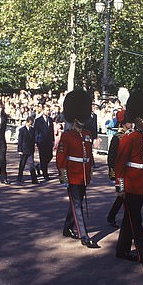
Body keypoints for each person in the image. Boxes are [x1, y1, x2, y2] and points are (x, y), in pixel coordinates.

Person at [114, 89, 143, 272]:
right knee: (136, 221)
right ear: (135, 117)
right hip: (131, 185)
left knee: (129, 219)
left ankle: (122, 250)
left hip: (140, 184)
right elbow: (120, 164)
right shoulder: (128, 138)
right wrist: (120, 186)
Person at [56, 89, 99, 248]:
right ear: (74, 119)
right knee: (78, 205)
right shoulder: (67, 136)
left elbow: (89, 156)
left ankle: (67, 228)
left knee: (76, 203)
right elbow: (61, 158)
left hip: (83, 175)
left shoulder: (87, 134)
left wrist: (90, 172)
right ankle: (84, 236)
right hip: (73, 175)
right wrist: (64, 177)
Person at [105, 110, 130, 229]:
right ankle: (112, 216)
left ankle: (116, 216)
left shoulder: (130, 136)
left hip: (128, 171)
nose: (131, 124)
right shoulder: (118, 138)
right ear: (123, 123)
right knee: (122, 195)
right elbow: (111, 157)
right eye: (129, 122)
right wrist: (113, 172)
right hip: (120, 171)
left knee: (125, 195)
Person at [34, 104, 55, 180]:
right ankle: (45, 175)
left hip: (49, 141)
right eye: (46, 110)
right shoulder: (38, 120)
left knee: (50, 156)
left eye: (49, 110)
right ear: (43, 110)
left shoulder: (50, 119)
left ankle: (39, 166)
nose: (48, 112)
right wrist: (37, 140)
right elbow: (36, 131)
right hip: (41, 141)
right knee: (43, 158)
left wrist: (53, 140)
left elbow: (51, 130)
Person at [17, 116, 39, 184]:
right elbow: (20, 140)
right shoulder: (22, 130)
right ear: (27, 122)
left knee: (31, 164)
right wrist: (19, 150)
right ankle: (19, 177)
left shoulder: (33, 130)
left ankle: (34, 179)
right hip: (23, 149)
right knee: (22, 165)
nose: (31, 124)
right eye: (30, 123)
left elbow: (33, 140)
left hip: (30, 150)